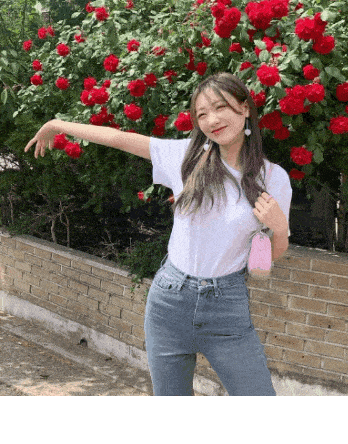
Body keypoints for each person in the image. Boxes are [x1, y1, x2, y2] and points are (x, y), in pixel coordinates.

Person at [25, 72, 293, 397]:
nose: (212, 120)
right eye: (202, 114)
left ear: (245, 108)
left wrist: (279, 227)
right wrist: (57, 124)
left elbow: (268, 256)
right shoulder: (186, 157)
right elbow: (118, 138)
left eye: (220, 107)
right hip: (169, 302)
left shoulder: (273, 178)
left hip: (227, 308)